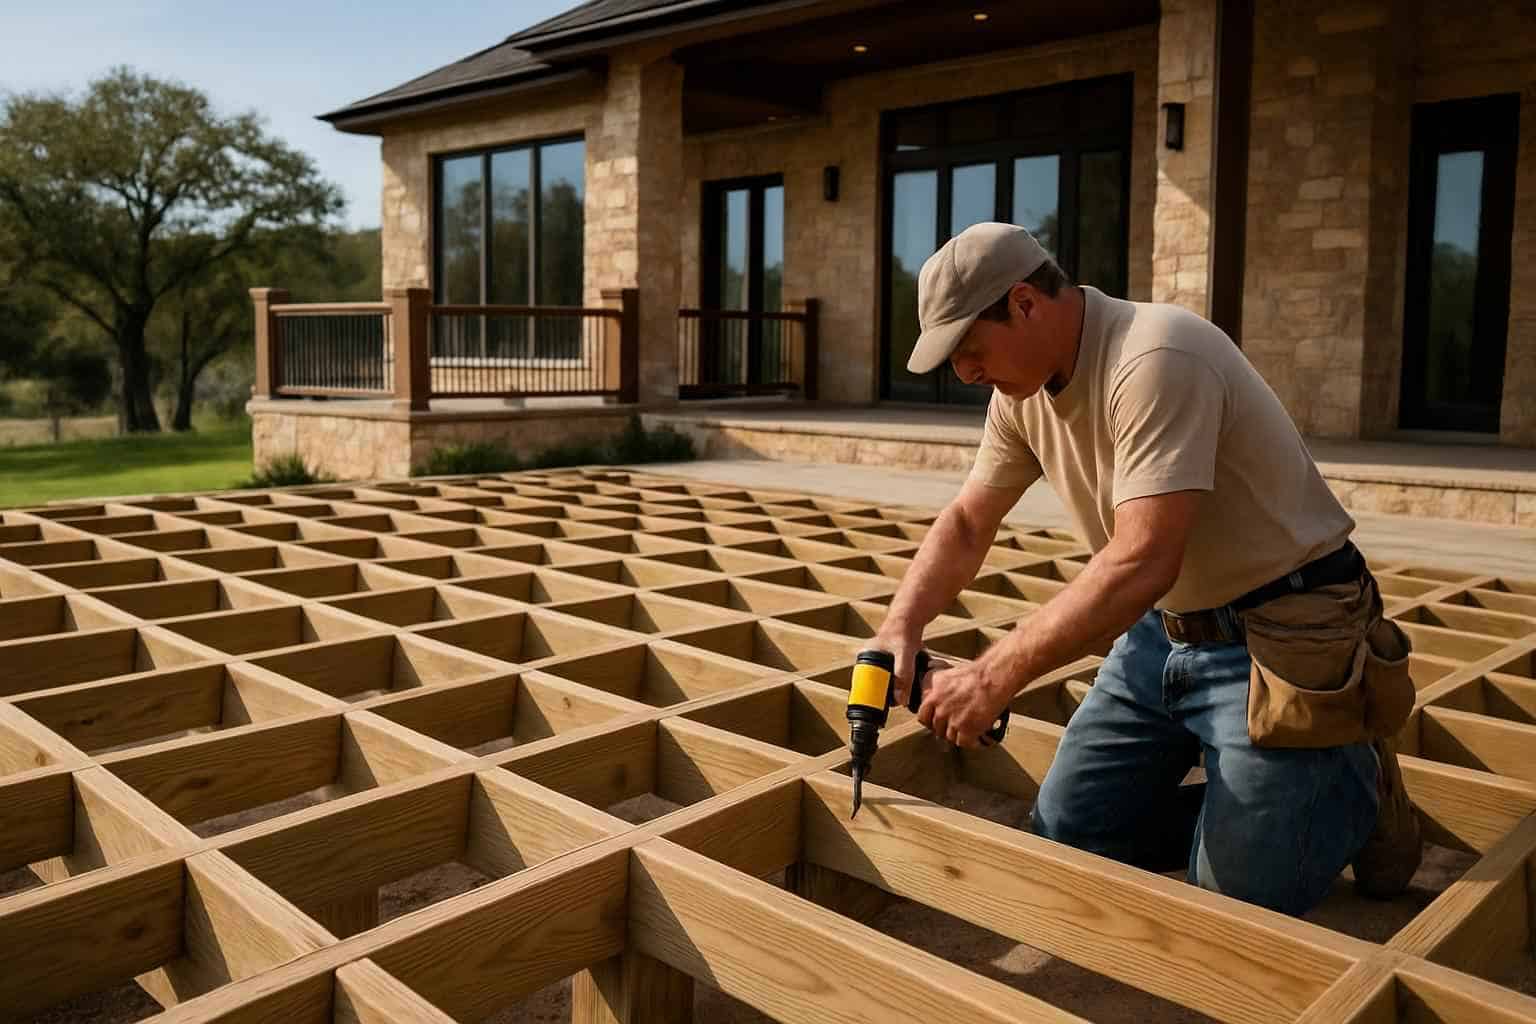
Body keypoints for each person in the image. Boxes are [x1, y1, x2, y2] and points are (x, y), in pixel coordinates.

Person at [873, 222, 1420, 916]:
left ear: (1024, 304)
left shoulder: (1156, 355)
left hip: (1286, 629)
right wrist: (901, 624)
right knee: (1069, 834)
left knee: (1237, 903)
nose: (966, 373)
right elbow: (967, 524)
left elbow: (1143, 558)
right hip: (1166, 632)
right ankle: (1274, 801)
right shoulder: (1022, 395)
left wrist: (992, 674)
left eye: (970, 350)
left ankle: (1351, 776)